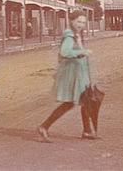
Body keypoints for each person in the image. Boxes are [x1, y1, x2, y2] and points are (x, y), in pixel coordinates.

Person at [37, 10, 95, 142]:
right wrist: (83, 52)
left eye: (83, 22)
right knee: (70, 102)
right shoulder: (69, 35)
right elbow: (65, 52)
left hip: (78, 72)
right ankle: (44, 126)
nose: (81, 25)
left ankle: (87, 131)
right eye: (79, 21)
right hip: (71, 73)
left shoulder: (76, 34)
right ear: (72, 21)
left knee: (85, 100)